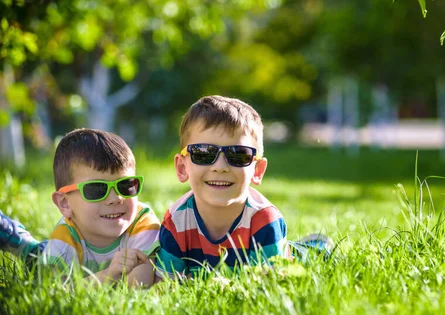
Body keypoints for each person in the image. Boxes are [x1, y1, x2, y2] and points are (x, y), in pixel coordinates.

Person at [154, 95, 332, 279]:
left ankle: (317, 246)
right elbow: (164, 284)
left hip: (283, 257)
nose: (220, 167)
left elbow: (269, 287)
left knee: (308, 254)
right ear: (182, 167)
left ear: (257, 170)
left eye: (239, 155)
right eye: (204, 153)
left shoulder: (265, 222)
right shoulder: (176, 221)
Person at [0, 129, 160, 286]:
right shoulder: (64, 237)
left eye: (125, 185)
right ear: (64, 203)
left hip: (70, 262)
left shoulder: (143, 223)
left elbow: (139, 285)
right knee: (38, 263)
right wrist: (107, 276)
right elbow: (56, 293)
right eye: (97, 189)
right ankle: (20, 240)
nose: (115, 198)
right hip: (57, 257)